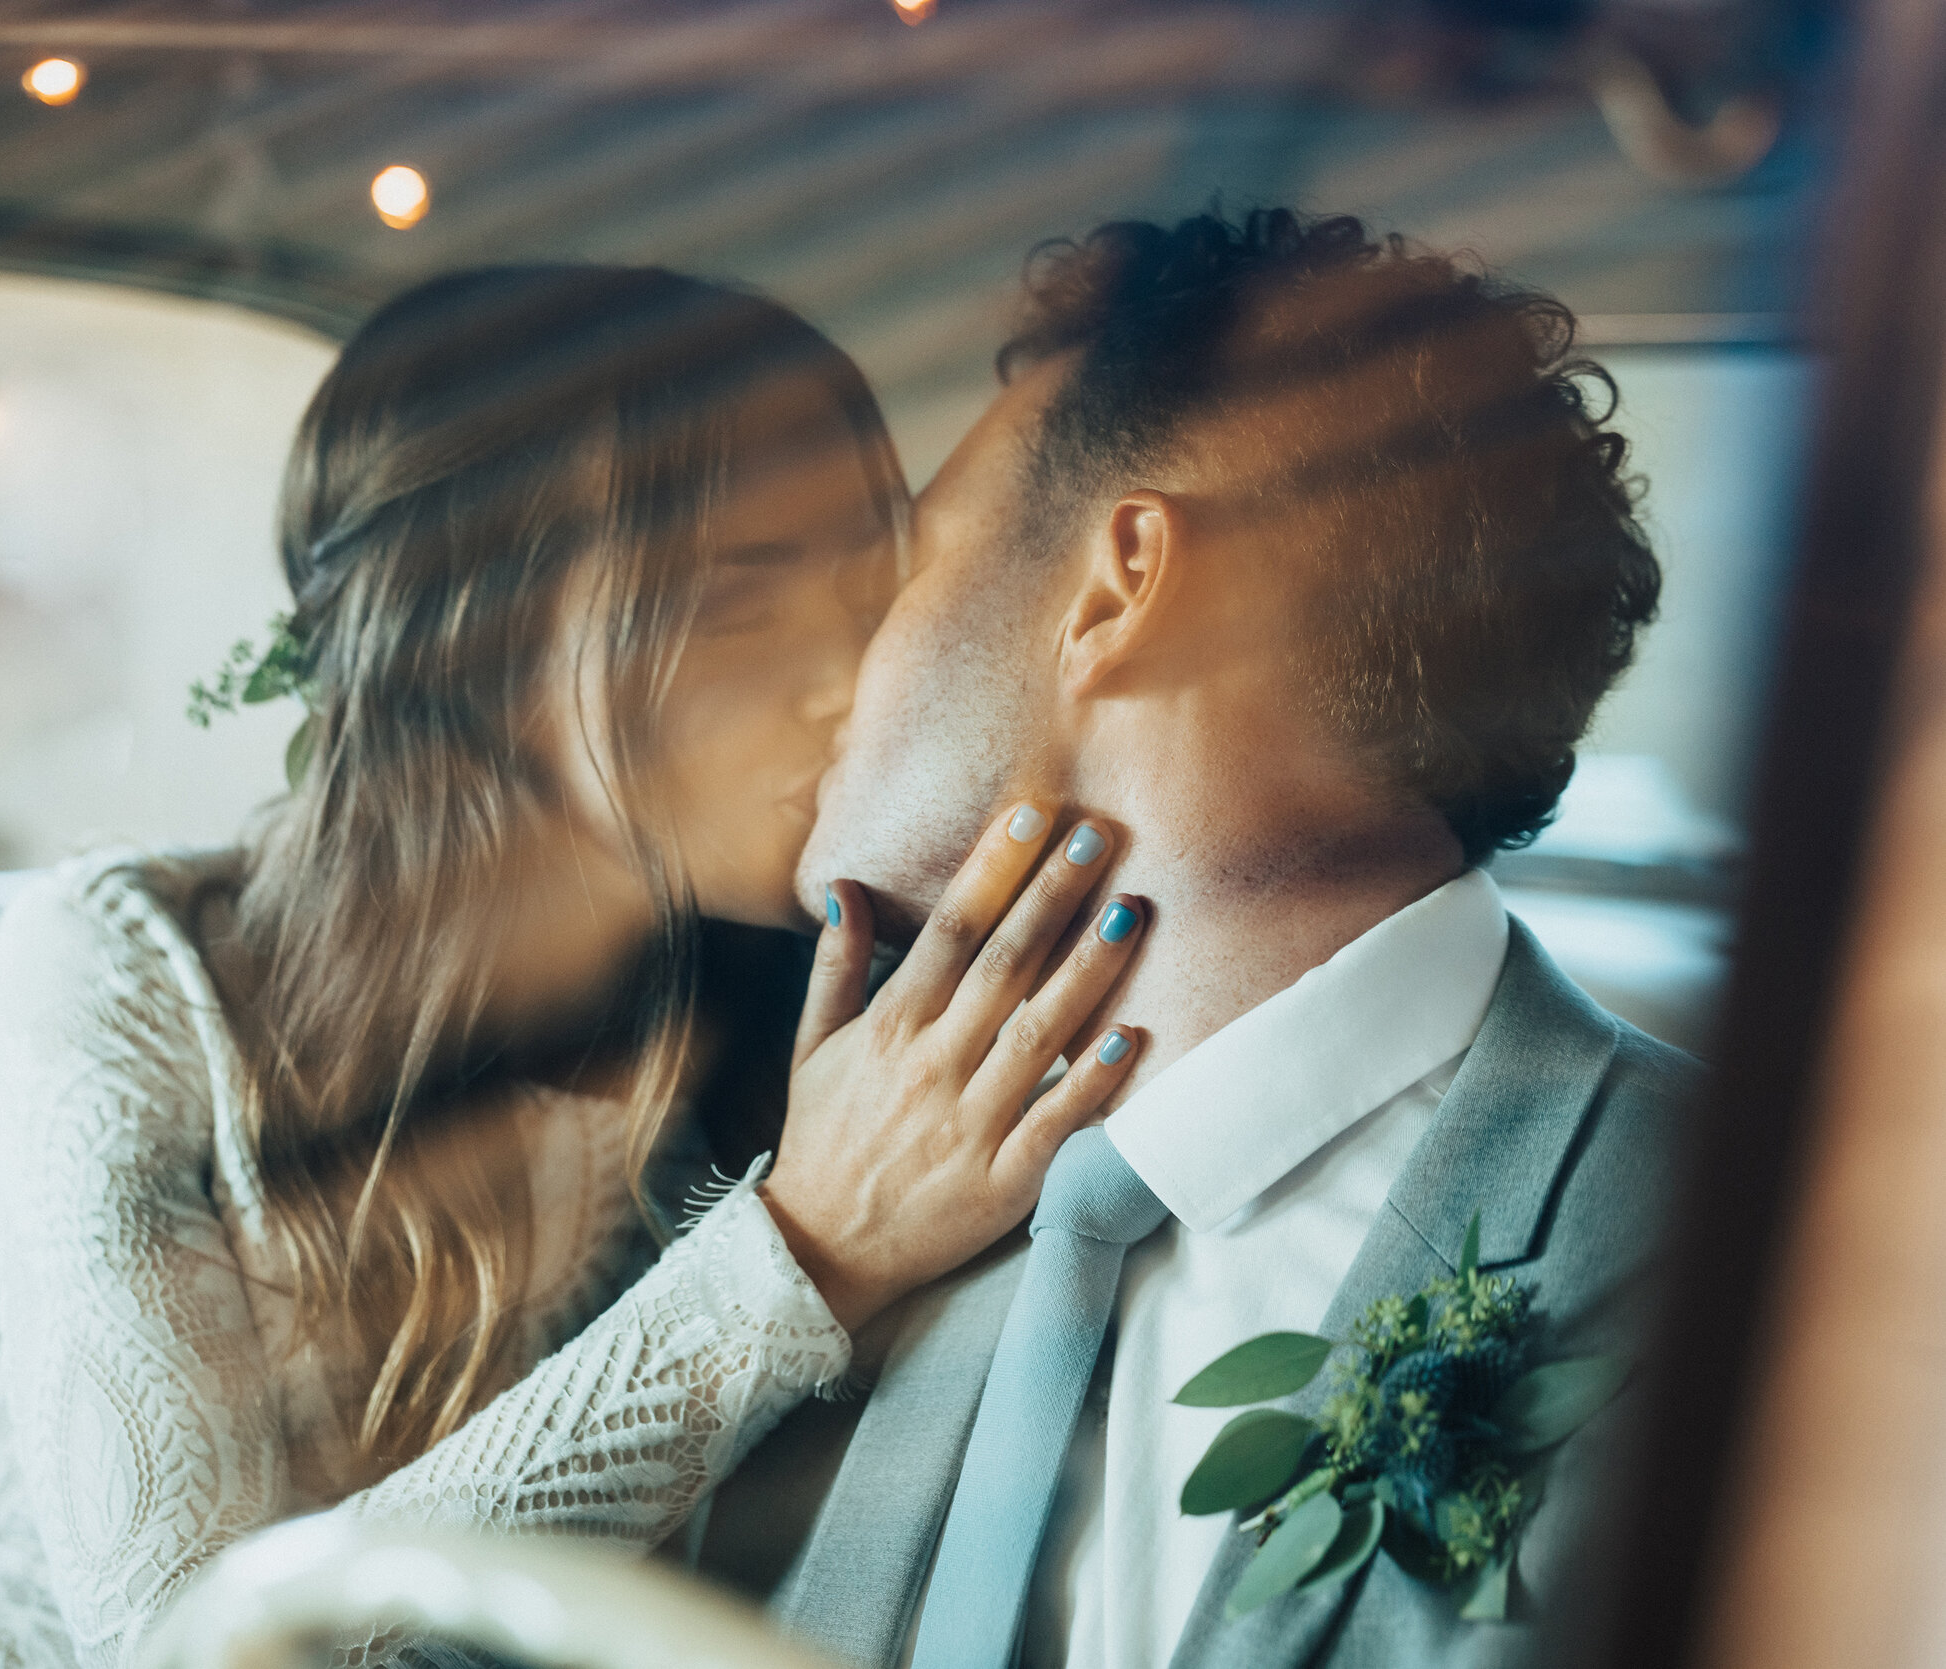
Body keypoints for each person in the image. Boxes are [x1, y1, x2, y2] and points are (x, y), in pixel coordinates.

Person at [0, 264, 1158, 1669]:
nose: (851, 678)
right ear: (472, 641)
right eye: (741, 609)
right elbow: (200, 1647)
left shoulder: (805, 1017)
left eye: (870, 595)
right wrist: (802, 1253)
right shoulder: (123, 965)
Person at [689, 208, 1694, 1669]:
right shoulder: (842, 1192)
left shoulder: (1724, 1246)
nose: (835, 663)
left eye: (909, 563)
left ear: (1115, 586)